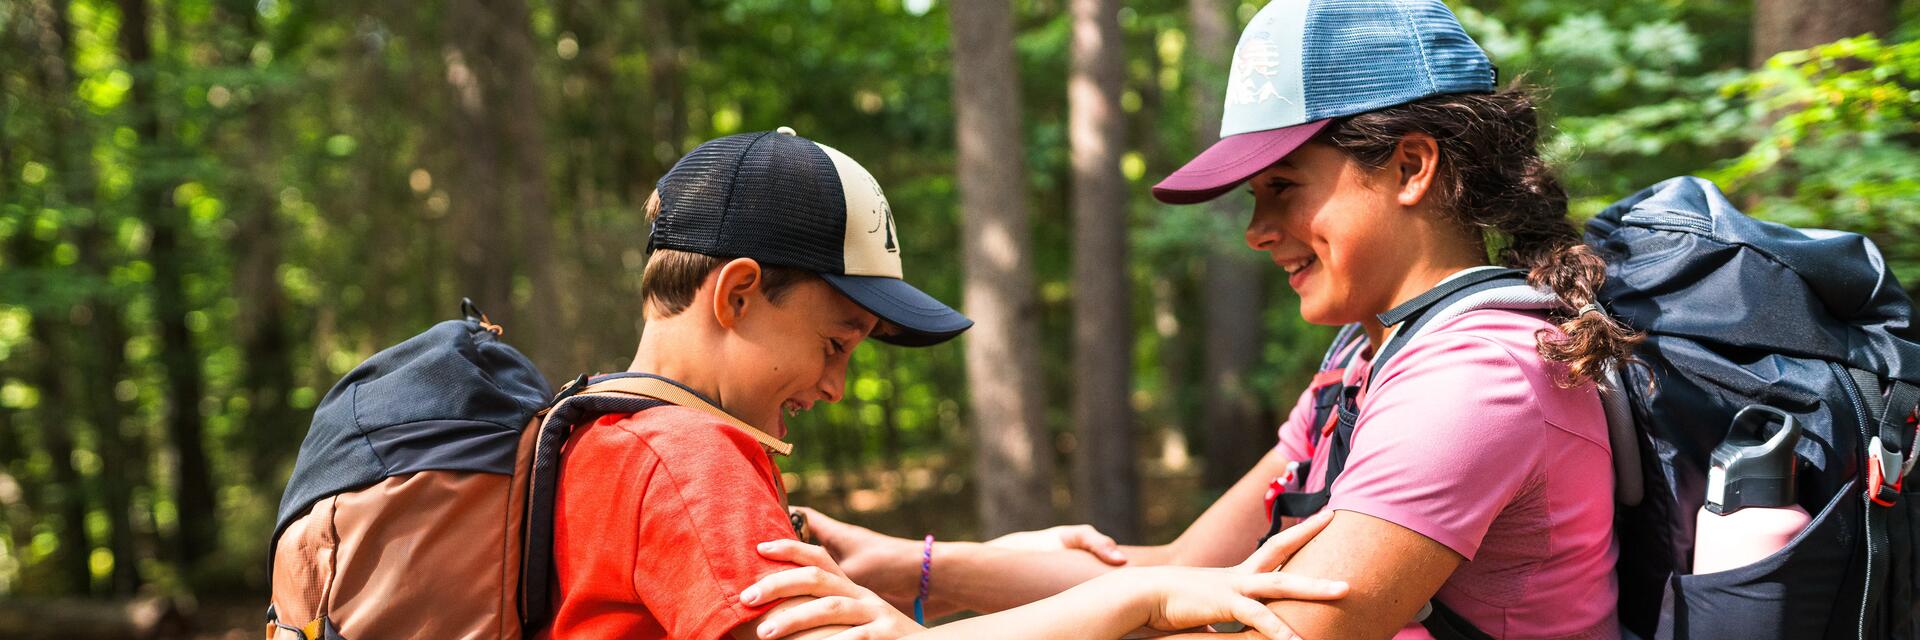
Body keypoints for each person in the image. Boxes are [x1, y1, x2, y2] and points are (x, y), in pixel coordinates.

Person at [764, 1, 1643, 638]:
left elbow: (1289, 629)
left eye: (1283, 187)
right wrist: (914, 569)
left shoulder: (1478, 376)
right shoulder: (1368, 354)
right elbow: (1183, 570)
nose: (1259, 231)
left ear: (1411, 165)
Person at [547, 128, 1347, 640]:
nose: (835, 386)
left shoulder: (610, 431)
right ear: (738, 293)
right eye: (835, 343)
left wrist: (987, 562)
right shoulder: (688, 459)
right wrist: (1139, 600)